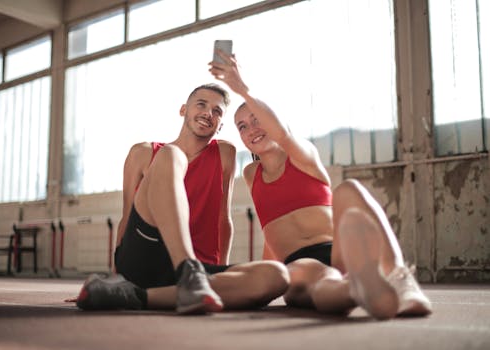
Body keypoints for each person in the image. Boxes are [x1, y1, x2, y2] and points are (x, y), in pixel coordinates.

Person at [209, 50, 432, 319]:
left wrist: (243, 91)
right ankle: (357, 289)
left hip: (339, 250)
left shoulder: (303, 154)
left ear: (273, 119)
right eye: (242, 126)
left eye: (256, 119)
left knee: (348, 190)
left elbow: (283, 133)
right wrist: (266, 273)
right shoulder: (250, 174)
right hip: (299, 263)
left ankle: (400, 280)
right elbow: (272, 227)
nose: (252, 128)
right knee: (318, 278)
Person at [75, 83, 289, 314]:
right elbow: (127, 216)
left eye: (217, 111)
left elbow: (222, 218)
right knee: (171, 154)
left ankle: (137, 296)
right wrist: (115, 277)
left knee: (275, 275)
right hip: (145, 254)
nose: (209, 113)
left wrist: (219, 269)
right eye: (201, 105)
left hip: (196, 268)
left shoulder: (225, 154)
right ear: (183, 110)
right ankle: (186, 272)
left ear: (220, 126)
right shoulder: (144, 153)